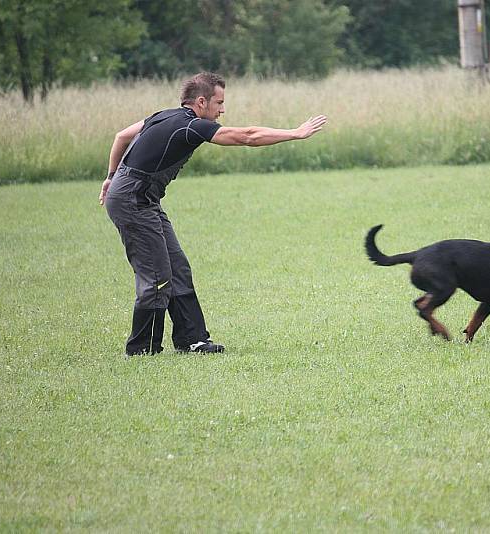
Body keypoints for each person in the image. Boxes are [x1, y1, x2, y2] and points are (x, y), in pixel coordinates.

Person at [99, 72, 327, 356]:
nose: (222, 110)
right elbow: (247, 137)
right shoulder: (190, 126)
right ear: (201, 101)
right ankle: (142, 349)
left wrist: (111, 176)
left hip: (140, 196)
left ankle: (192, 340)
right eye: (219, 103)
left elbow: (121, 136)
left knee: (177, 268)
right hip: (133, 199)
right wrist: (295, 133)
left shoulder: (162, 116)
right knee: (157, 275)